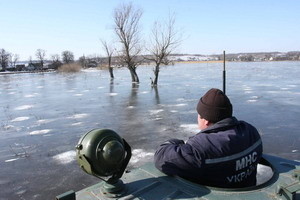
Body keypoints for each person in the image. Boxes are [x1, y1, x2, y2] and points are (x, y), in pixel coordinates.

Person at [154, 88, 263, 188]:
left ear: (205, 120)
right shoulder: (251, 131)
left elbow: (161, 157)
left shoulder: (201, 147)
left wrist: (177, 142)